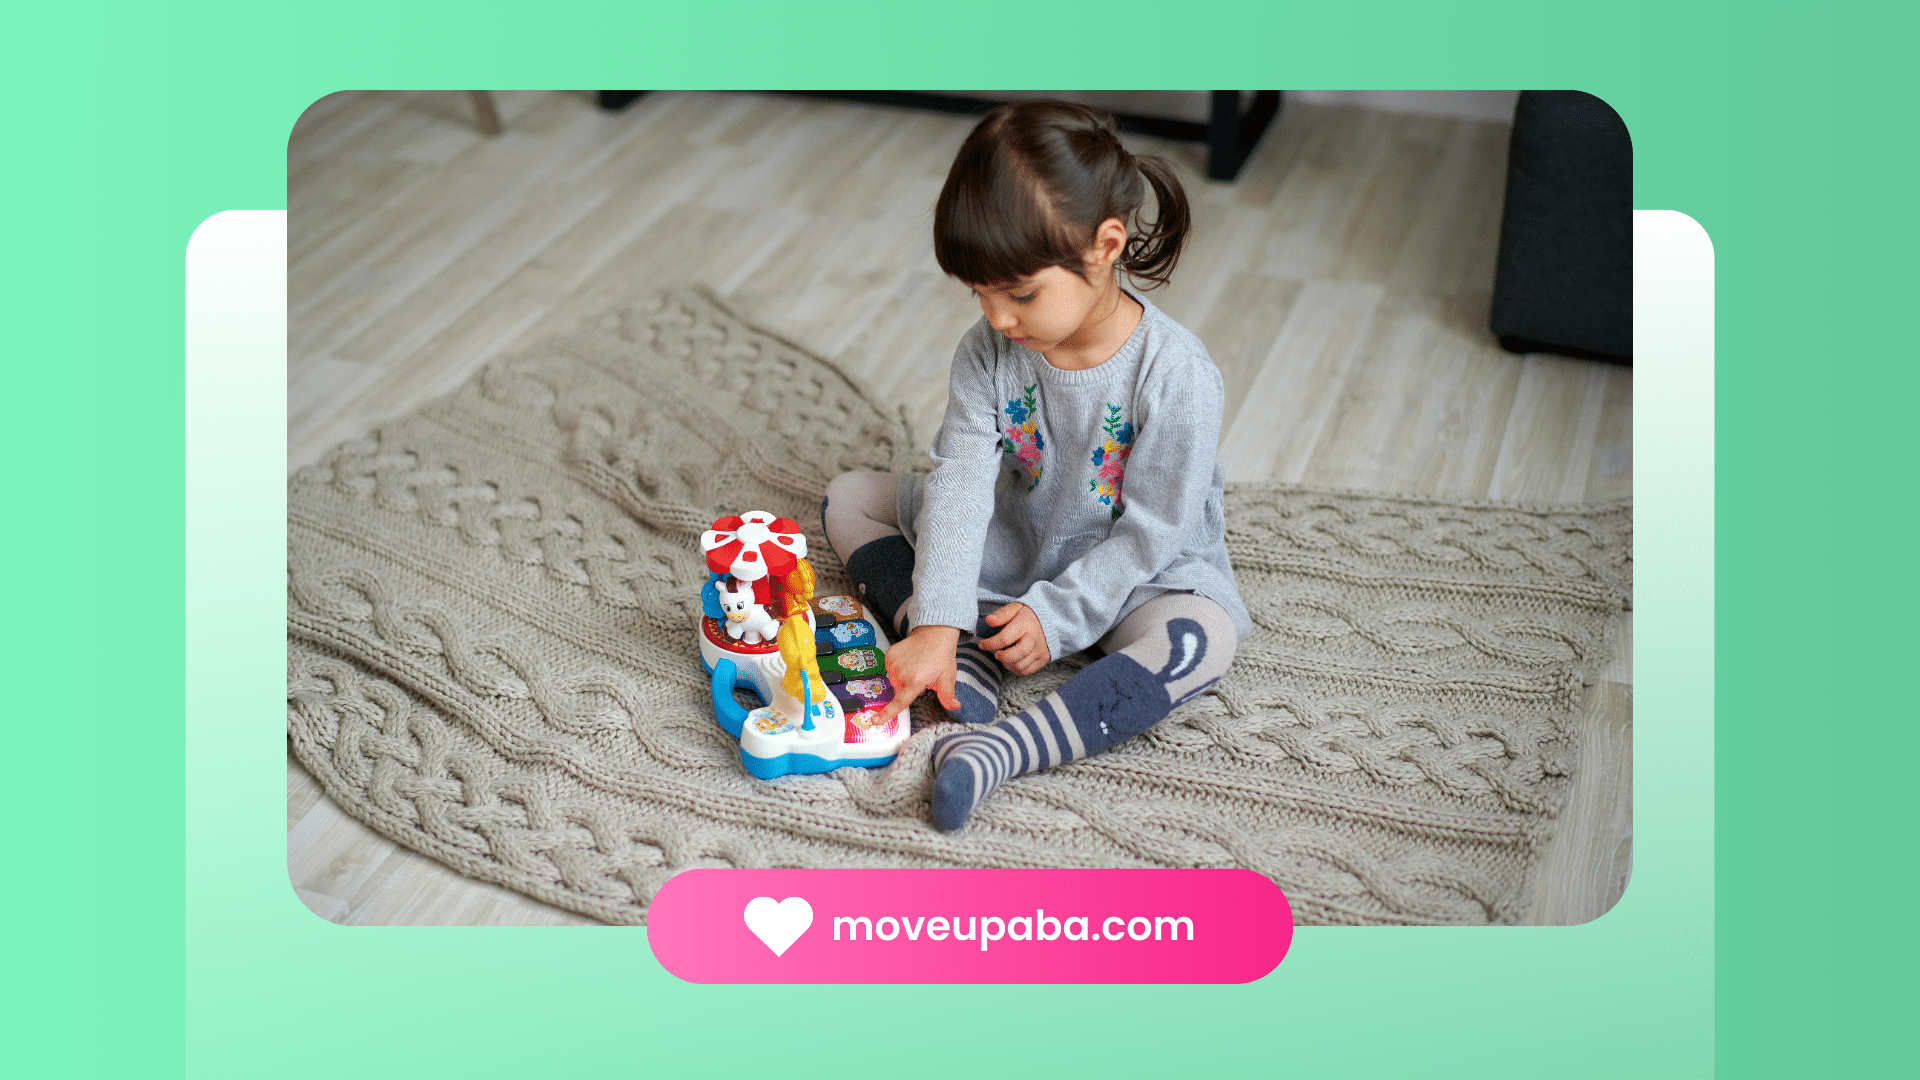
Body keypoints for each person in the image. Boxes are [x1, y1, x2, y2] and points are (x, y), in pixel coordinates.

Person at [820, 100, 1251, 832]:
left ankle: (1005, 749)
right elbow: (959, 484)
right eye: (978, 292)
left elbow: (1154, 533)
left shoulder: (1177, 376)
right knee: (849, 496)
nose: (995, 318)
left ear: (1105, 245)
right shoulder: (987, 351)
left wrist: (1058, 617)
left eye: (1019, 293)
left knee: (1202, 638)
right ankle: (964, 658)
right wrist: (935, 620)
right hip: (1012, 542)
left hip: (1132, 575)